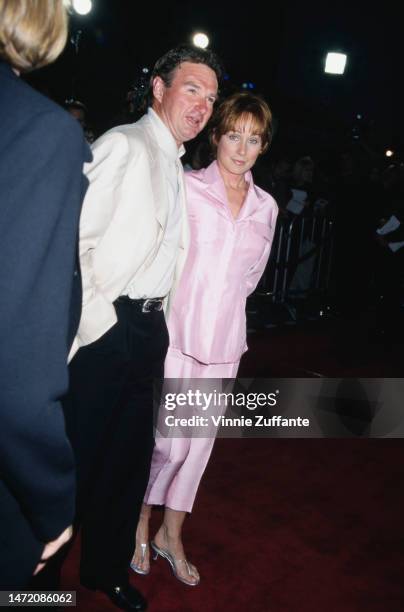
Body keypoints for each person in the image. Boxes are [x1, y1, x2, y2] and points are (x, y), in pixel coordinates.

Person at [63, 45, 222, 610]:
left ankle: (103, 571)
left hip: (151, 333)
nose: (203, 105)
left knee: (127, 464)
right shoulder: (123, 145)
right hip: (111, 327)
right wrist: (102, 325)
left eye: (210, 97)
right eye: (192, 89)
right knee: (76, 464)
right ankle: (28, 583)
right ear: (158, 88)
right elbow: (73, 244)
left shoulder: (176, 164)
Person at [132, 92, 278, 585]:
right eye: (233, 134)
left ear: (263, 146)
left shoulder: (266, 207)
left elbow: (251, 278)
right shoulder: (187, 187)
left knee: (198, 449)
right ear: (215, 136)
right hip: (177, 336)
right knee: (167, 445)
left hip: (226, 344)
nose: (241, 147)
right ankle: (138, 524)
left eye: (253, 138)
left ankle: (170, 535)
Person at [0, 0, 90, 589]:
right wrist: (53, 501)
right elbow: (14, 373)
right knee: (34, 599)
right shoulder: (40, 131)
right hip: (10, 469)